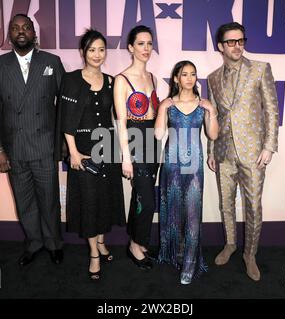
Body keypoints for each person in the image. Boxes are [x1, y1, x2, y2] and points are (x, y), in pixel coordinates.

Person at [0, 14, 65, 266]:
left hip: (44, 146)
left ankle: (53, 243)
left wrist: (63, 142)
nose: (21, 31)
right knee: (24, 200)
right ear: (10, 34)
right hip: (14, 149)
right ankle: (34, 243)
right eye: (15, 28)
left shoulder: (52, 61)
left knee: (49, 200)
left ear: (34, 33)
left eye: (26, 27)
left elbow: (63, 105)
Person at [206, 22, 279, 281]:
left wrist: (270, 146)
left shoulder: (260, 69)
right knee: (226, 204)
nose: (237, 46)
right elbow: (213, 116)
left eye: (241, 41)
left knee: (253, 207)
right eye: (231, 42)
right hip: (224, 153)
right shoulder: (213, 78)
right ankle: (230, 244)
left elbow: (271, 109)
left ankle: (250, 254)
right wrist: (212, 149)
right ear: (220, 46)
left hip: (253, 154)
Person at [58, 29, 125, 280]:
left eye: (101, 49)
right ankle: (94, 254)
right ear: (83, 52)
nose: (97, 55)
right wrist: (73, 152)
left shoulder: (111, 81)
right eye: (92, 50)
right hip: (83, 150)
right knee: (89, 202)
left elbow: (117, 117)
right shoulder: (71, 80)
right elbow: (66, 118)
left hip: (106, 147)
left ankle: (102, 242)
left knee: (104, 200)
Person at [155, 61, 219, 285]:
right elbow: (158, 135)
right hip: (171, 165)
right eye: (185, 74)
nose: (190, 78)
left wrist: (212, 112)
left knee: (192, 214)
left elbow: (212, 135)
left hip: (194, 167)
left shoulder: (204, 104)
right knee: (173, 211)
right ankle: (175, 252)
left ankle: (190, 263)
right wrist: (162, 108)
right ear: (176, 78)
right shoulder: (168, 104)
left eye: (193, 74)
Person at [113, 25, 160, 270]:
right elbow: (121, 121)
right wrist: (126, 157)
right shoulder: (121, 80)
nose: (146, 48)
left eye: (149, 43)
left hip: (153, 139)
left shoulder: (152, 77)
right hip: (134, 139)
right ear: (131, 48)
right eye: (140, 44)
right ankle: (136, 245)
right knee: (148, 201)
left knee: (141, 195)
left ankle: (136, 240)